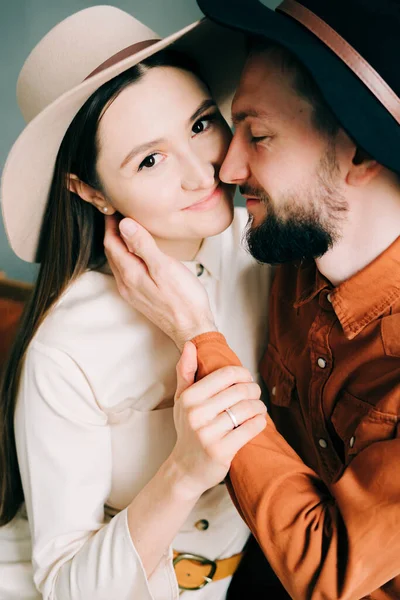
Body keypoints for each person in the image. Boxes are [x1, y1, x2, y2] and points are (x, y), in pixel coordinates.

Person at [102, 0, 400, 598]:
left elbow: (328, 570)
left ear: (361, 152)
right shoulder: (288, 257)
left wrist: (195, 334)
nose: (229, 167)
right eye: (231, 128)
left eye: (259, 136)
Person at [0, 6, 272, 599]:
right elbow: (63, 586)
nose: (202, 174)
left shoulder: (272, 249)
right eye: (150, 159)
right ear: (91, 190)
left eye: (201, 125)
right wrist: (183, 471)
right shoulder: (65, 346)